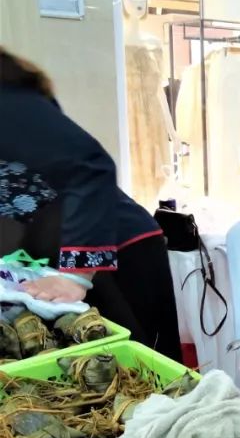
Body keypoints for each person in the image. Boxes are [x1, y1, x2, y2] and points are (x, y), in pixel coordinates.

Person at [0, 47, 183, 362]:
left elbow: (90, 168)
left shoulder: (7, 100)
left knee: (142, 367)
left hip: (114, 247)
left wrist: (76, 275)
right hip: (52, 251)